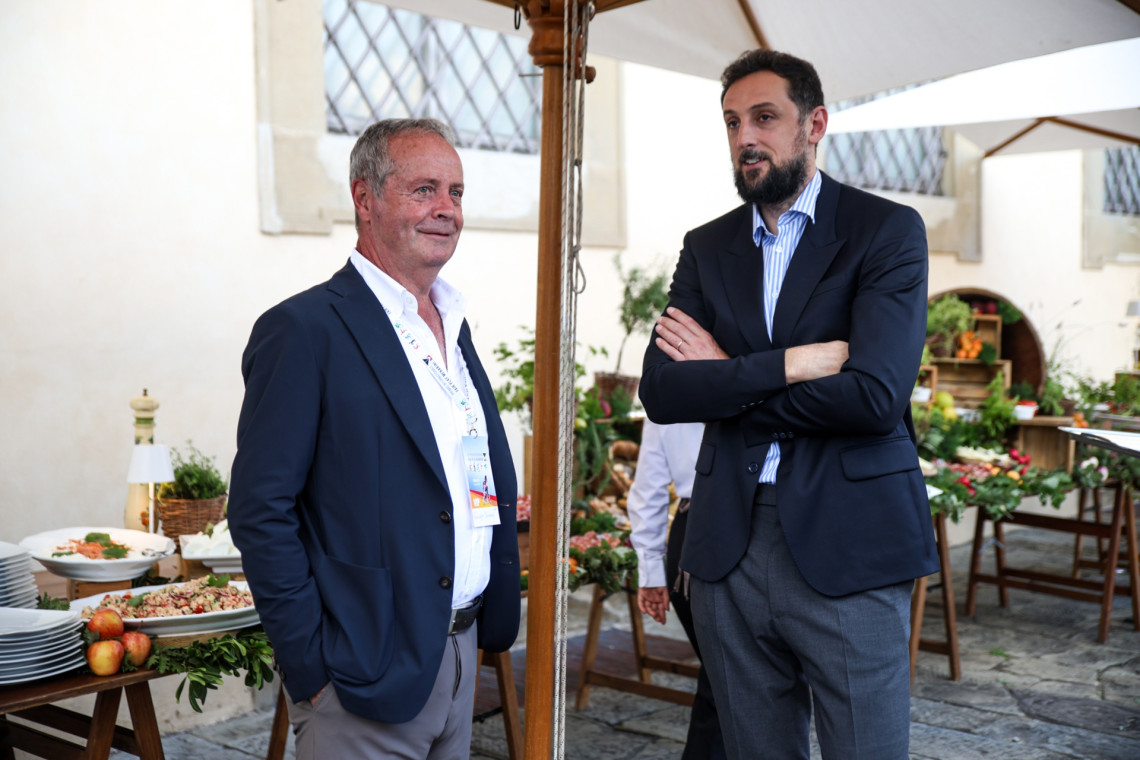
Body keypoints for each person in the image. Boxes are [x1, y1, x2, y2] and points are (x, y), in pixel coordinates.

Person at [638, 50, 939, 760]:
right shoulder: (707, 247)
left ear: (815, 124)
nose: (745, 137)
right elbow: (663, 390)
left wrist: (727, 379)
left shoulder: (885, 231)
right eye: (732, 122)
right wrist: (789, 366)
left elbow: (873, 397)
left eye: (765, 117)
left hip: (850, 542)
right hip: (727, 546)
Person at [228, 118, 520, 760]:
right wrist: (311, 667)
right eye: (424, 190)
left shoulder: (453, 324)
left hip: (461, 651)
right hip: (358, 674)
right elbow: (259, 509)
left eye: (456, 192)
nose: (447, 209)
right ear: (365, 199)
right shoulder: (304, 331)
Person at [626, 419, 725, 760]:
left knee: (721, 679)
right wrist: (651, 569)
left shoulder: (667, 390)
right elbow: (648, 486)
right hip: (708, 531)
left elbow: (648, 487)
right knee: (727, 680)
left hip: (691, 533)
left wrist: (651, 570)